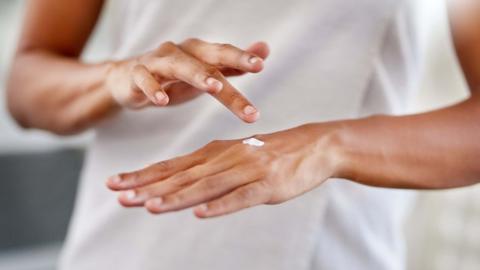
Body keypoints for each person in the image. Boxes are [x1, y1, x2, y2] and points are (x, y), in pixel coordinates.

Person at [6, 0, 480, 269]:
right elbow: (26, 85)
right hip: (120, 247)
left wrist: (327, 145)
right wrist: (114, 77)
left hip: (327, 253)